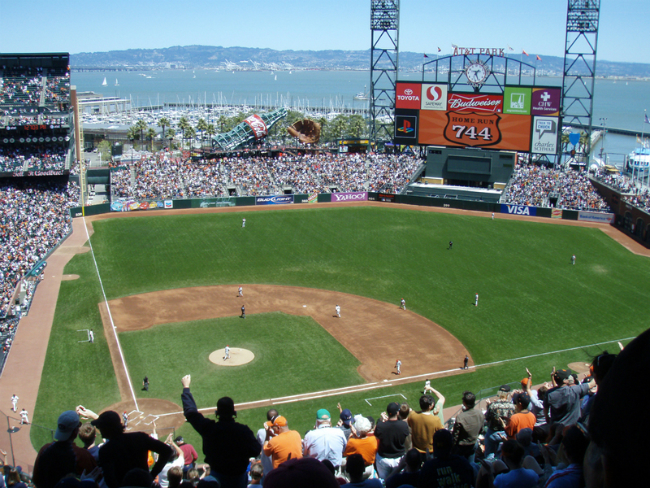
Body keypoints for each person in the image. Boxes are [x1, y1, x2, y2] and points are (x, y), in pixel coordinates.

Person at [181, 374, 260, 488]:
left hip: (217, 476)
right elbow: (256, 450)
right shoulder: (243, 431)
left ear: (217, 413)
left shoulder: (210, 429)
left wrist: (186, 388)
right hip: (239, 478)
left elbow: (190, 413)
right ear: (234, 413)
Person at [91, 410, 172, 488]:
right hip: (144, 484)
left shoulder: (105, 450)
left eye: (100, 426)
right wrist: (151, 475)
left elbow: (110, 480)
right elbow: (167, 451)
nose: (98, 428)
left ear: (107, 428)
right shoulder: (140, 437)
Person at [32, 410, 97, 488]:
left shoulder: (44, 449)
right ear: (75, 431)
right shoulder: (82, 456)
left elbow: (36, 480)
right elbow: (97, 481)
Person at [374, 402, 410, 480]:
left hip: (383, 459)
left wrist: (382, 421)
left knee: (384, 481)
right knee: (399, 481)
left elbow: (376, 436)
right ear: (397, 413)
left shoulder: (381, 426)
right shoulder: (403, 425)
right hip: (399, 459)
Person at [407, 394, 443, 461]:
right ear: (430, 406)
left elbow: (413, 417)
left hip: (416, 452)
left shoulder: (412, 415)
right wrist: (435, 415)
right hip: (430, 452)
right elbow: (442, 433)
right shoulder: (435, 419)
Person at [484, 385, 515, 459]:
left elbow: (487, 418)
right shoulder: (512, 406)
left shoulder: (493, 405)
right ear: (507, 394)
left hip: (492, 434)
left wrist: (488, 407)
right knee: (502, 454)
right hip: (505, 434)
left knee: (489, 455)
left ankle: (489, 465)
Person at [451, 391, 483, 461]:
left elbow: (455, 436)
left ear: (464, 403)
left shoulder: (460, 417)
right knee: (471, 465)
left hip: (462, 447)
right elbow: (481, 429)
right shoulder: (480, 413)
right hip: (473, 443)